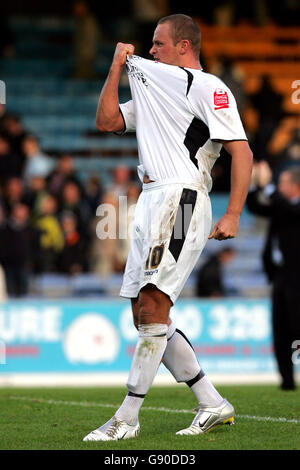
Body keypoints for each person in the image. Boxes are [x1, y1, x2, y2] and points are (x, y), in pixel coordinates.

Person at [83, 14, 253, 442]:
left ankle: (127, 416)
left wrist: (232, 213)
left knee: (154, 306)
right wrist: (115, 69)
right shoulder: (152, 91)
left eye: (158, 44)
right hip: (150, 200)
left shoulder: (209, 87)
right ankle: (212, 402)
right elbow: (105, 122)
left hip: (184, 197)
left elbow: (242, 151)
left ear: (184, 46)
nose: (151, 51)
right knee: (143, 314)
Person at [247, 162, 300, 391]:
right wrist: (252, 186)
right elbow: (257, 208)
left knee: (298, 326)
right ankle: (286, 380)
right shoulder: (281, 205)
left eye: (283, 183)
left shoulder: (291, 207)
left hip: (298, 278)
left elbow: (286, 208)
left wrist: (267, 186)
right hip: (280, 276)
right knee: (281, 329)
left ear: (295, 185)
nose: (279, 187)